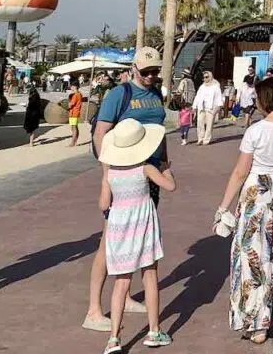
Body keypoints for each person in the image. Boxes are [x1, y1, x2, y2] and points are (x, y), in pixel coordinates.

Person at [216, 77, 273, 344]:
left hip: (258, 200)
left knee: (254, 258)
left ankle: (257, 325)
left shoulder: (256, 131)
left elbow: (240, 172)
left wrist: (223, 207)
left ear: (264, 99)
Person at [85, 47, 168, 333]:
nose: (150, 76)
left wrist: (165, 164)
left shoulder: (156, 95)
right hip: (123, 176)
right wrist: (107, 177)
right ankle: (94, 309)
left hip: (148, 176)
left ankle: (127, 296)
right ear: (134, 68)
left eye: (155, 71)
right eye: (145, 72)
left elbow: (159, 131)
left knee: (138, 239)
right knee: (110, 241)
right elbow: (100, 135)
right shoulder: (119, 95)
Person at [98, 118, 176, 352]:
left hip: (119, 227)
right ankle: (154, 330)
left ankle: (113, 338)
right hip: (143, 223)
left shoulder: (110, 172)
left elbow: (103, 203)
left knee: (121, 282)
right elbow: (170, 186)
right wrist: (167, 169)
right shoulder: (146, 168)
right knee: (150, 274)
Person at [193, 71, 224, 145]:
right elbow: (197, 96)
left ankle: (206, 140)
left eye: (206, 77)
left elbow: (219, 97)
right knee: (199, 123)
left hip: (210, 108)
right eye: (204, 77)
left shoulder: (215, 87)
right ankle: (200, 138)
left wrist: (218, 107)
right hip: (201, 107)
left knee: (209, 125)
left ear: (210, 77)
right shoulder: (202, 87)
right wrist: (194, 106)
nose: (205, 79)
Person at [68, 80, 83, 146]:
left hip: (73, 112)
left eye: (71, 86)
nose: (71, 87)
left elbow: (71, 104)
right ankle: (75, 141)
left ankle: (73, 142)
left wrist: (68, 103)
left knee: (73, 128)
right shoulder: (79, 94)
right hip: (76, 112)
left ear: (75, 87)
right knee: (75, 127)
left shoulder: (75, 95)